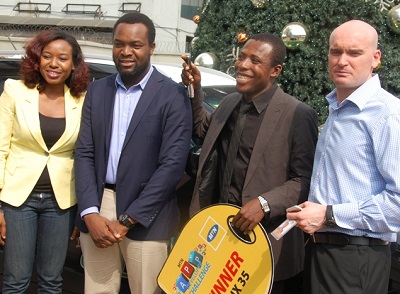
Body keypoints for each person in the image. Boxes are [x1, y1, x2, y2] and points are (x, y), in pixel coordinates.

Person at [181, 33, 318, 294]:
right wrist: (194, 89)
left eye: (255, 60)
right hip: (221, 235)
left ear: (275, 70)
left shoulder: (298, 113)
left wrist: (264, 204)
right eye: (242, 56)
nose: (243, 65)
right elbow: (202, 132)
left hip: (265, 243)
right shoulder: (231, 102)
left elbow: (304, 180)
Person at [74, 12, 192, 294]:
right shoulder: (97, 90)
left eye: (136, 45)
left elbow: (172, 166)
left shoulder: (173, 94)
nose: (126, 52)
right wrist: (89, 211)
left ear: (151, 47)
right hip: (99, 208)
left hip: (148, 214)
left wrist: (129, 219)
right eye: (119, 43)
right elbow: (85, 153)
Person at [287, 20, 400, 294]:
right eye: (335, 52)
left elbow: (397, 206)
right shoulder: (338, 109)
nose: (342, 61)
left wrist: (327, 214)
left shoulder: (387, 115)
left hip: (355, 258)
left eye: (354, 53)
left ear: (375, 58)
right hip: (322, 252)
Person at [0, 29, 89, 293]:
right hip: (18, 201)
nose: (54, 64)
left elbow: (85, 154)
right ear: (37, 60)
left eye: (62, 58)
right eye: (47, 56)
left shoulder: (82, 99)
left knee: (52, 281)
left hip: (61, 202)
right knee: (16, 280)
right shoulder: (15, 91)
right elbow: (1, 147)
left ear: (73, 64)